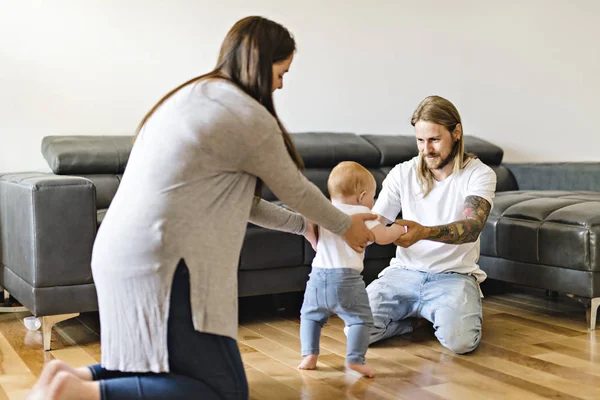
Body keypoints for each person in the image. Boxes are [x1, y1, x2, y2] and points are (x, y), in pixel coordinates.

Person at [26, 16, 376, 400]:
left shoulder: (192, 97)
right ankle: (72, 395)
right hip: (167, 258)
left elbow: (246, 203)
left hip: (120, 251)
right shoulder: (245, 113)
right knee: (220, 389)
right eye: (281, 72)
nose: (279, 84)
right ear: (260, 61)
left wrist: (301, 226)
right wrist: (346, 225)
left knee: (158, 365)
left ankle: (68, 379)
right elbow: (295, 189)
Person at [365, 95, 497, 354]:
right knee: (354, 328)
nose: (426, 149)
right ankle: (416, 322)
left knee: (461, 343)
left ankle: (450, 313)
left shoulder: (479, 174)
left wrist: (423, 232)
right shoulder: (402, 173)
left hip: (454, 276)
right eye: (420, 141)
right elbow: (375, 222)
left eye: (435, 139)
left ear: (456, 133)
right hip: (403, 273)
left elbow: (472, 227)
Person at [298, 161, 406, 378]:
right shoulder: (362, 215)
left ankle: (309, 356)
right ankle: (355, 359)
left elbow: (310, 230)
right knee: (361, 320)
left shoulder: (325, 212)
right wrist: (399, 228)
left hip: (317, 277)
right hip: (346, 279)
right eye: (373, 197)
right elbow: (383, 237)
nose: (372, 202)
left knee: (310, 316)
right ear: (362, 196)